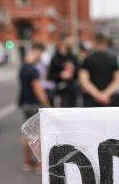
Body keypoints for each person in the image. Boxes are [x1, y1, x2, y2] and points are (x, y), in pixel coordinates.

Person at [18, 43, 51, 171]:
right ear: (36, 51)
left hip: (24, 103)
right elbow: (38, 89)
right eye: (41, 53)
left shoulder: (23, 67)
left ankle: (27, 161)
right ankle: (39, 164)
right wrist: (47, 105)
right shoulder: (33, 69)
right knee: (38, 135)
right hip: (34, 104)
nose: (41, 57)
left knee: (27, 134)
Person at [78, 34, 119, 107]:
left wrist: (98, 96)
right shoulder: (113, 60)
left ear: (94, 43)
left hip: (91, 100)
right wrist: (105, 95)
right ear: (105, 43)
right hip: (109, 100)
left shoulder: (87, 60)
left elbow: (84, 81)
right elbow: (118, 80)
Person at [47, 37, 79, 108]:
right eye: (69, 43)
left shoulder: (73, 57)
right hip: (59, 92)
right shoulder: (55, 58)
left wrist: (72, 73)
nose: (71, 44)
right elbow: (50, 76)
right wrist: (60, 75)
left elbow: (78, 74)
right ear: (63, 42)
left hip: (72, 91)